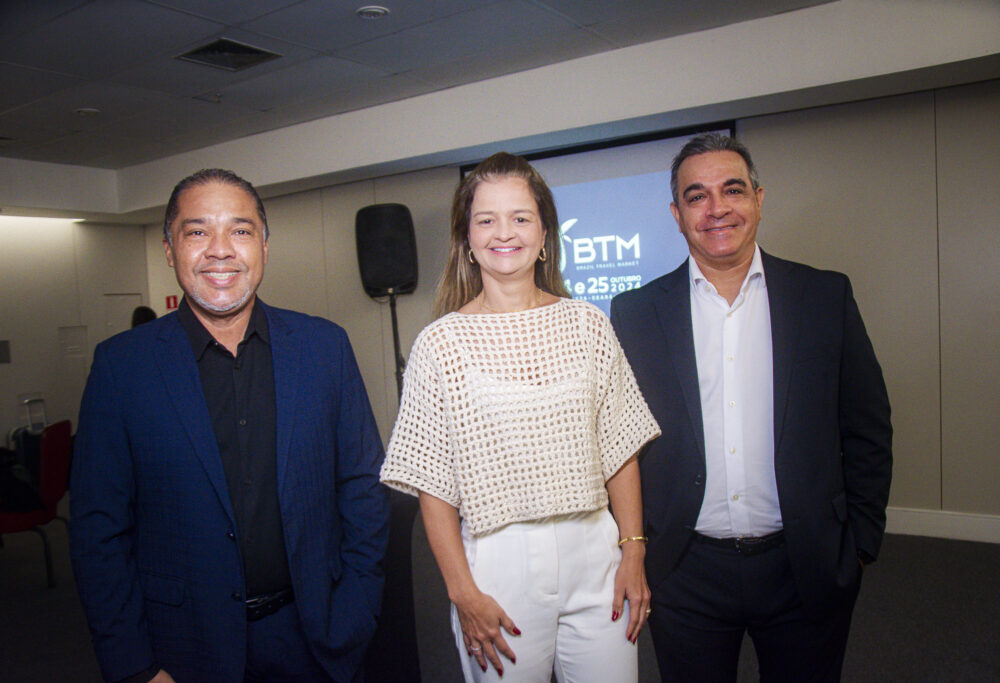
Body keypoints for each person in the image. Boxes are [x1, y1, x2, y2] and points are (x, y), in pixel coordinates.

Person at [70, 169, 389, 683]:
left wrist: (358, 609)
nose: (220, 250)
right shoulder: (121, 368)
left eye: (240, 230)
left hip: (318, 639)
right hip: (181, 652)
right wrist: (134, 665)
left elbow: (361, 487)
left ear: (264, 245)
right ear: (170, 249)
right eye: (197, 231)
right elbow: (98, 530)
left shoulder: (324, 348)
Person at [610, 133, 893, 682]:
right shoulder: (636, 313)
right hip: (684, 570)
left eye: (732, 190)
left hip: (805, 566)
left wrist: (859, 544)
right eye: (696, 196)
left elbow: (867, 427)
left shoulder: (824, 296)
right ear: (676, 214)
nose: (716, 208)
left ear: (759, 200)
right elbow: (617, 442)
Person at [380, 152, 660, 682]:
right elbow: (433, 487)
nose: (503, 233)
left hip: (596, 556)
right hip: (498, 567)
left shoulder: (588, 325)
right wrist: (462, 592)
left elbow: (620, 448)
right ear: (466, 239)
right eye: (486, 219)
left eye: (520, 217)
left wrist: (634, 551)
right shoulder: (440, 345)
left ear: (544, 233)